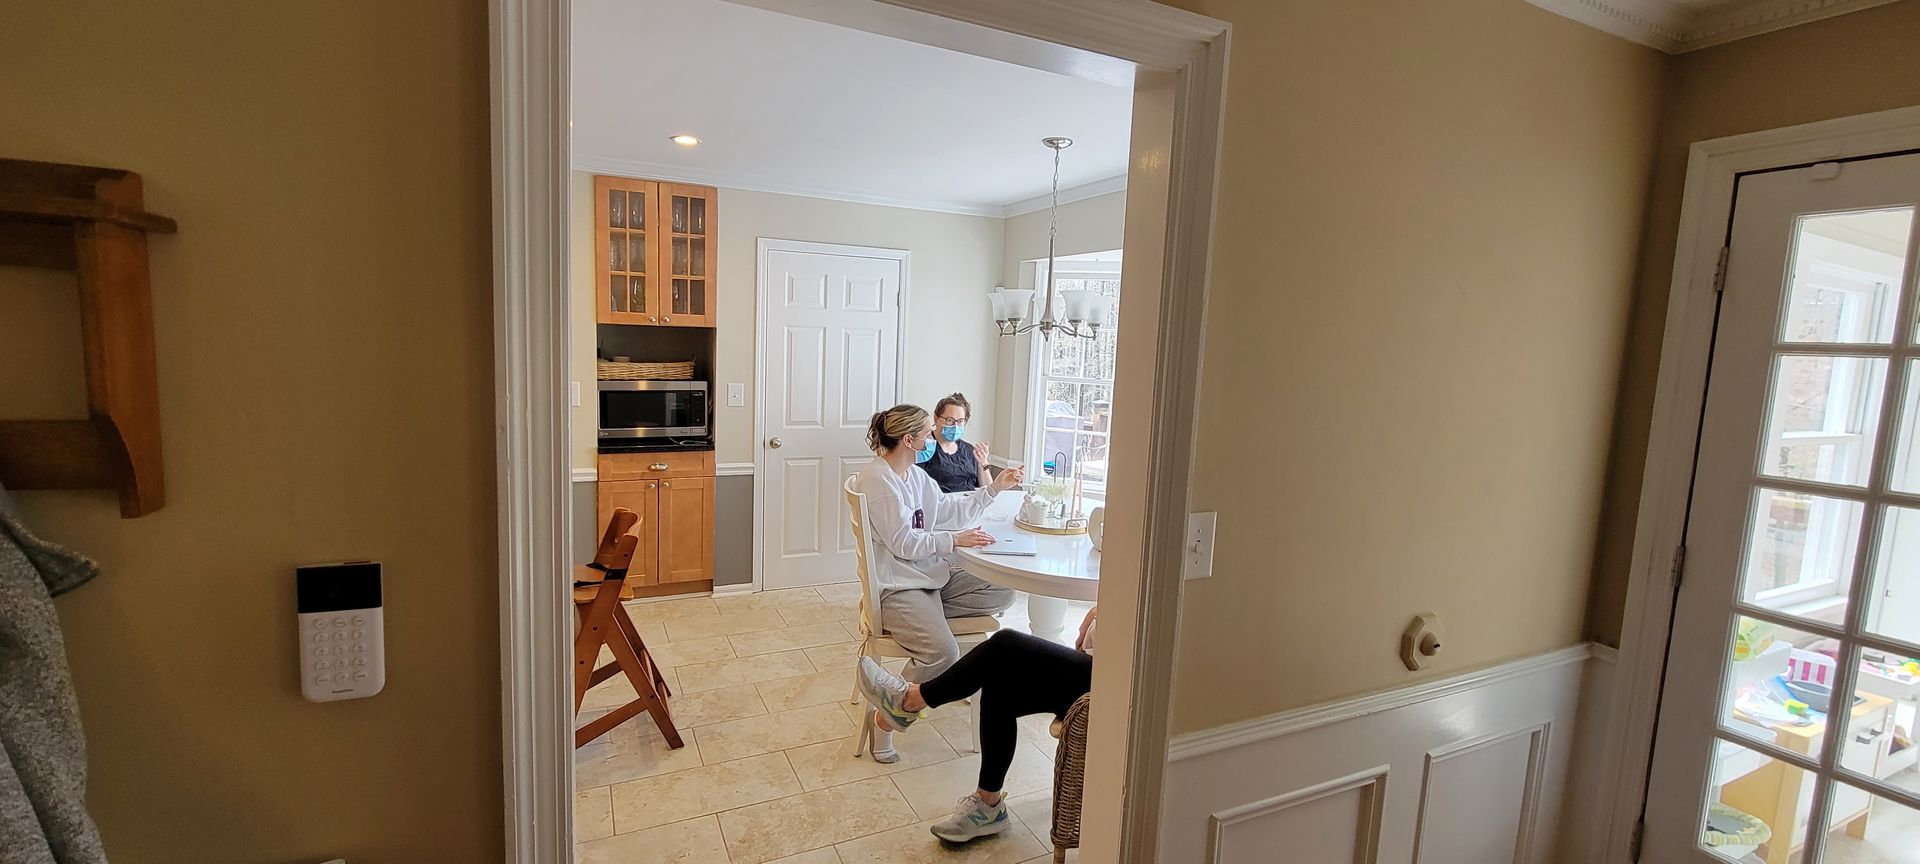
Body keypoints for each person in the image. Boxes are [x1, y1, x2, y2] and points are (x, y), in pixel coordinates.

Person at [856, 403, 1024, 762]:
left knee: (1001, 588)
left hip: (928, 578)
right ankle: (885, 721)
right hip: (900, 587)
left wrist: (994, 487)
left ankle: (926, 622)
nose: (932, 437)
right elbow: (903, 543)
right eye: (926, 433)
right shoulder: (879, 481)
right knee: (943, 653)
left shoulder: (913, 476)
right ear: (909, 440)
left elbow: (948, 511)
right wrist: (954, 540)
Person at [857, 608, 1098, 843]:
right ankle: (988, 804)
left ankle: (910, 700)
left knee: (1005, 644)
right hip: (1095, 670)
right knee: (999, 683)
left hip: (1111, 687)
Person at [917, 392, 992, 493]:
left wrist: (983, 463)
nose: (955, 426)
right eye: (950, 420)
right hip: (941, 506)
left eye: (960, 421)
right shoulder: (924, 448)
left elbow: (988, 491)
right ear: (936, 419)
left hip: (969, 504)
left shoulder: (969, 450)